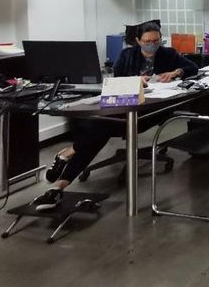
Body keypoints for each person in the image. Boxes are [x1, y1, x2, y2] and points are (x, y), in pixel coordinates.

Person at [31, 22, 198, 211]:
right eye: (147, 41)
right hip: (125, 107)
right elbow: (116, 80)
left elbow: (192, 67)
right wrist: (136, 81)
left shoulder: (168, 54)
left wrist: (176, 72)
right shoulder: (127, 55)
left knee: (98, 128)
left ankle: (67, 158)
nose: (152, 44)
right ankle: (59, 185)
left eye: (156, 41)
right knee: (99, 128)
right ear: (138, 41)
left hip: (150, 111)